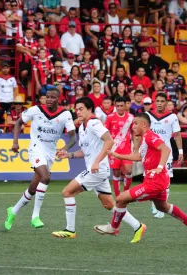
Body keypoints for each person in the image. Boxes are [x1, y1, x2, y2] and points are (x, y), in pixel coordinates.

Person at [94, 113, 187, 244]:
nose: (133, 126)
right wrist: (118, 155)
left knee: (120, 199)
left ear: (144, 125)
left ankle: (113, 228)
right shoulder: (145, 138)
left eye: (135, 123)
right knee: (162, 206)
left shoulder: (150, 136)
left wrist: (159, 166)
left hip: (154, 182)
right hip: (159, 180)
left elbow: (166, 149)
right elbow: (139, 157)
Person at [52, 97, 144, 242]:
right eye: (76, 109)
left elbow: (110, 140)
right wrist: (68, 155)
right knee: (108, 204)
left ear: (90, 109)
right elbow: (84, 152)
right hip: (97, 170)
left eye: (81, 109)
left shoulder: (94, 123)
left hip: (97, 170)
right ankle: (138, 226)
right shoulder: (83, 127)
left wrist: (96, 162)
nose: (78, 112)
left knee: (67, 192)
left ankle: (70, 230)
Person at [4, 88, 76, 230]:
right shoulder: (35, 110)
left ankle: (13, 211)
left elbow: (73, 137)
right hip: (36, 148)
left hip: (50, 153)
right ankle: (35, 216)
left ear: (58, 99)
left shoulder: (65, 114)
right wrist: (15, 142)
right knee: (46, 177)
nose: (49, 99)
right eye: (47, 97)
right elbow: (18, 123)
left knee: (33, 188)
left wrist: (64, 148)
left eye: (52, 97)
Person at [146, 93, 183, 218]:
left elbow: (177, 135)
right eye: (158, 101)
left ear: (166, 103)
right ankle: (154, 203)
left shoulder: (172, 117)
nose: (160, 103)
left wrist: (181, 151)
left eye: (162, 101)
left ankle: (162, 207)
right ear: (154, 102)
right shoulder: (148, 115)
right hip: (150, 152)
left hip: (166, 152)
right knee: (150, 178)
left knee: (166, 179)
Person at [105, 97, 134, 197]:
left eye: (122, 106)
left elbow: (134, 133)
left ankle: (126, 193)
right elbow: (105, 132)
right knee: (116, 173)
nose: (120, 108)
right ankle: (118, 196)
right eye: (117, 106)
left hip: (126, 150)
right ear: (115, 106)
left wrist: (136, 146)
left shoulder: (130, 117)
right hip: (114, 149)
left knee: (129, 171)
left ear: (125, 106)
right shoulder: (110, 117)